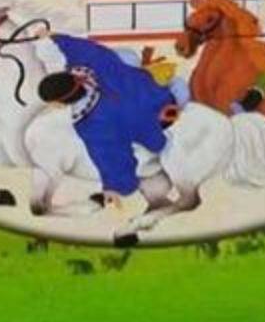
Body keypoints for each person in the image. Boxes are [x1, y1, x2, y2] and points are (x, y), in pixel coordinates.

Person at [36, 34, 175, 200]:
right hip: (158, 92)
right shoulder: (94, 63)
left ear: (60, 102)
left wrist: (117, 187)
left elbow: (111, 156)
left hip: (155, 124)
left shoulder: (92, 125)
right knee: (127, 56)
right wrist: (52, 39)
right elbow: (84, 49)